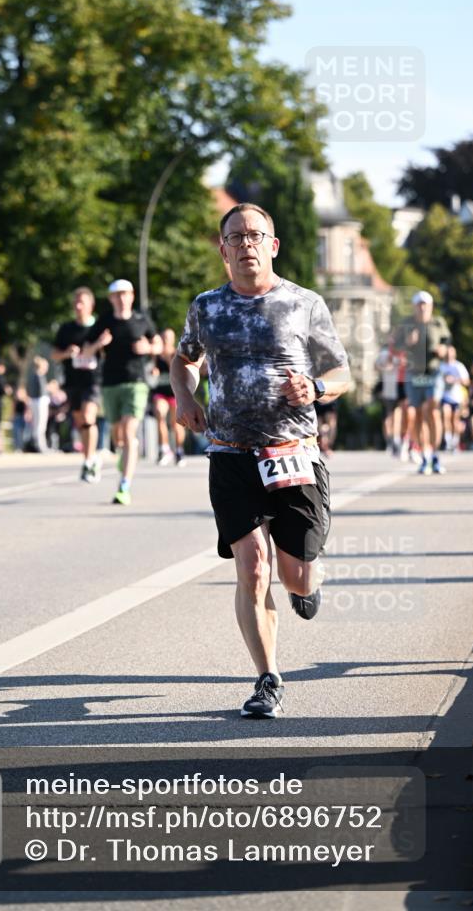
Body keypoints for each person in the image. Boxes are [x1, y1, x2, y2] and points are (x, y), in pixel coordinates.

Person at [171, 203, 350, 718]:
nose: (246, 243)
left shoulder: (304, 303)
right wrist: (186, 397)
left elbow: (342, 371)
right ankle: (267, 678)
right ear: (222, 248)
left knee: (295, 576)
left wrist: (316, 388)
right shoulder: (206, 307)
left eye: (256, 235)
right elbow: (184, 359)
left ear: (273, 245)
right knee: (252, 568)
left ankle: (309, 580)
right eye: (236, 236)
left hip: (292, 452)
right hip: (230, 452)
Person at [84, 279, 162, 505]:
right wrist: (99, 343)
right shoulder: (104, 322)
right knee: (118, 436)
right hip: (110, 383)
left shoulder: (141, 319)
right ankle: (124, 456)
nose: (121, 298)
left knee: (128, 433)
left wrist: (147, 348)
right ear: (111, 299)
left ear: (132, 296)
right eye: (117, 295)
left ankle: (124, 485)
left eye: (125, 294)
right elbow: (86, 352)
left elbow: (159, 345)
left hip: (136, 382)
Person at [394, 291, 451, 475]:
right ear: (414, 306)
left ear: (431, 306)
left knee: (432, 410)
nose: (422, 307)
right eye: (419, 304)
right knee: (417, 414)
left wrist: (444, 349)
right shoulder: (407, 324)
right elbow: (395, 345)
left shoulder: (438, 322)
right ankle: (425, 455)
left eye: (425, 304)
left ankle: (435, 454)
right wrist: (407, 344)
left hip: (433, 372)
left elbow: (447, 341)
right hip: (414, 373)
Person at [52, 287, 102, 482]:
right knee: (81, 421)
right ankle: (90, 457)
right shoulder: (66, 329)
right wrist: (66, 353)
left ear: (91, 305)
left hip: (93, 380)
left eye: (82, 302)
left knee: (89, 417)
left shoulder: (98, 328)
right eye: (76, 303)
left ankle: (89, 462)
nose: (78, 306)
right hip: (72, 382)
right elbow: (54, 355)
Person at [152, 328, 187, 466]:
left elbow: (180, 371)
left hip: (175, 393)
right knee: (159, 414)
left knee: (176, 424)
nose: (166, 340)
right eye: (164, 337)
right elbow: (150, 367)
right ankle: (164, 449)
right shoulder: (156, 354)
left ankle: (179, 450)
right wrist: (152, 370)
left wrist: (168, 358)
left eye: (168, 338)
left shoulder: (176, 354)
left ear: (172, 339)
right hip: (160, 391)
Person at [437, 346, 470, 451]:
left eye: (451, 353)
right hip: (444, 396)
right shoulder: (440, 366)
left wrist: (455, 380)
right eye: (447, 352)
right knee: (446, 415)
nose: (449, 355)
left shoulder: (458, 366)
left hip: (456, 397)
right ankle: (448, 440)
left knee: (455, 419)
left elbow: (467, 381)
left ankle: (455, 441)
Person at [26, 355, 50, 453]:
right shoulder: (39, 376)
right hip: (40, 401)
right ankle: (40, 445)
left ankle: (40, 444)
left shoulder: (33, 376)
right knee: (40, 425)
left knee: (37, 424)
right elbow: (41, 390)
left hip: (34, 401)